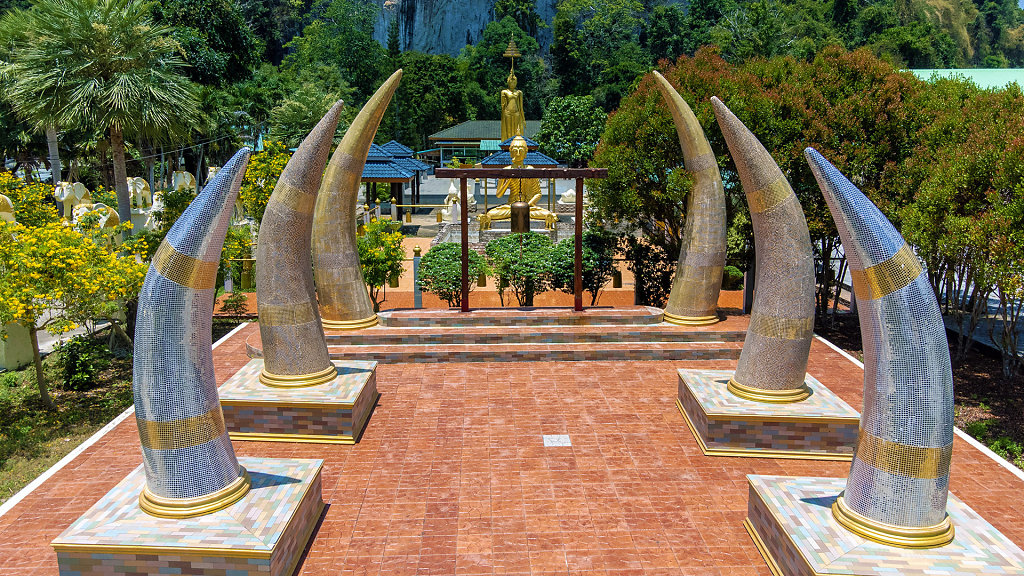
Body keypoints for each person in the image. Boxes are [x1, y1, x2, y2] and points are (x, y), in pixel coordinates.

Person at [500, 72, 525, 141]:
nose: (512, 84)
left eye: (514, 83)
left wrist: (523, 119)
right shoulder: (504, 92)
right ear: (508, 83)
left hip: (516, 112)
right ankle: (507, 145)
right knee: (508, 130)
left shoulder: (519, 92)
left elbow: (521, 107)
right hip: (507, 112)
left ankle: (517, 143)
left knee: (516, 130)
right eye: (511, 83)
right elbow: (502, 105)